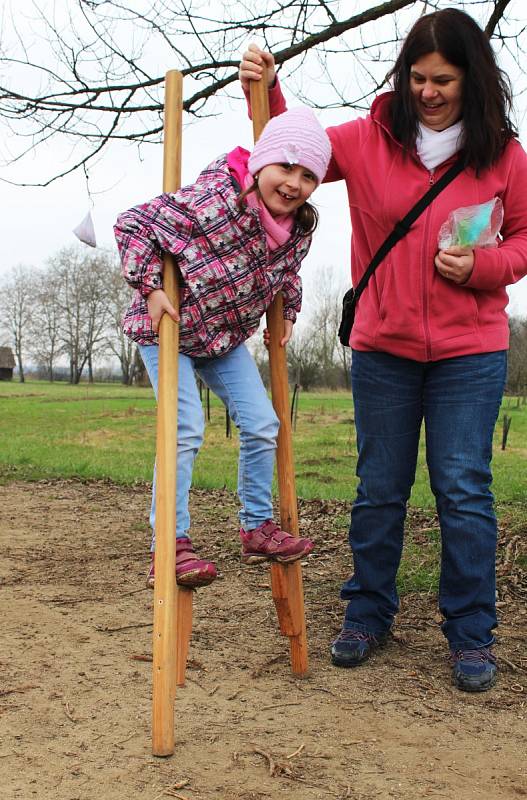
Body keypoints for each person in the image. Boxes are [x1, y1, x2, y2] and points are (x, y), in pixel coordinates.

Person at [239, 8, 527, 692]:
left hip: (469, 351)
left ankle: (469, 633)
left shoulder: (504, 157)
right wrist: (268, 91)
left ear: (471, 81)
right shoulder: (367, 139)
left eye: (443, 80)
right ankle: (367, 614)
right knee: (378, 490)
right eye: (416, 77)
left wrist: (482, 269)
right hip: (383, 347)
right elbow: (296, 151)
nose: (426, 91)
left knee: (462, 490)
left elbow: (520, 241)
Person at [115, 107, 331, 590]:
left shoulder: (296, 229)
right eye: (286, 167)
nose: (294, 183)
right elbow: (133, 225)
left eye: (309, 175)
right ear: (261, 163)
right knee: (185, 427)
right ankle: (169, 545)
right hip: (170, 325)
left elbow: (287, 275)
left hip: (223, 338)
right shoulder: (215, 199)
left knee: (263, 424)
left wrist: (289, 311)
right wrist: (151, 288)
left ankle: (256, 526)